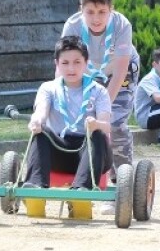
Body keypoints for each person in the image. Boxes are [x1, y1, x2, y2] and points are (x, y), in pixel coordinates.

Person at [61, 0, 137, 174]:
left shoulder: (121, 25)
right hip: (86, 73)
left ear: (111, 9)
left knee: (114, 122)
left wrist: (105, 107)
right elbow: (63, 65)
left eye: (102, 12)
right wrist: (62, 99)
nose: (96, 18)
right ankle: (83, 170)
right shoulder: (72, 26)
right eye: (90, 12)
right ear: (81, 10)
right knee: (79, 121)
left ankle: (122, 173)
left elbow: (120, 71)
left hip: (119, 73)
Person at [22, 36, 112, 189]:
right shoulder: (48, 88)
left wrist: (96, 124)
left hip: (90, 153)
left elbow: (106, 126)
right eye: (65, 63)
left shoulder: (98, 91)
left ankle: (82, 189)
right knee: (41, 132)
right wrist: (36, 121)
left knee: (97, 134)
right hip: (59, 150)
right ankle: (34, 186)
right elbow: (41, 111)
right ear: (57, 64)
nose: (71, 68)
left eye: (77, 62)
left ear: (86, 63)